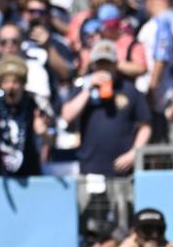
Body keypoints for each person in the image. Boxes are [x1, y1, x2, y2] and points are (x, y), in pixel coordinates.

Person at [62, 40, 151, 177]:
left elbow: (145, 125)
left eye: (108, 64)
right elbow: (67, 115)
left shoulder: (129, 89)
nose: (104, 69)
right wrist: (89, 89)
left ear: (116, 65)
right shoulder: (82, 86)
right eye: (100, 64)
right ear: (93, 66)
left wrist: (134, 153)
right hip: (90, 168)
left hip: (122, 169)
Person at [0, 56, 49, 176]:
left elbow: (53, 139)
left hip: (30, 171)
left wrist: (43, 132)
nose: (10, 86)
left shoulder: (35, 103)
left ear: (23, 83)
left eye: (15, 82)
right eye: (6, 82)